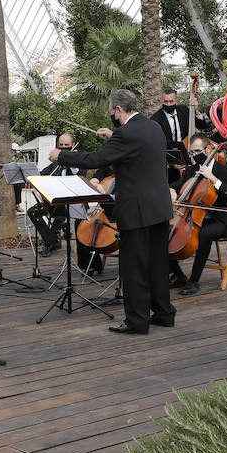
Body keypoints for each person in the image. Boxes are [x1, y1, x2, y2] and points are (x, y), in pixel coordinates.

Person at [51, 89, 175, 335]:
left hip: (137, 210)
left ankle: (137, 321)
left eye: (113, 114)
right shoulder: (153, 127)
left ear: (119, 109)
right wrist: (114, 136)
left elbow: (96, 159)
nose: (113, 118)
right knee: (157, 263)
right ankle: (164, 313)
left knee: (134, 266)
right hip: (159, 207)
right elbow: (133, 148)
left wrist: (62, 155)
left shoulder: (126, 133)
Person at [168, 135, 227, 297]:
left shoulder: (223, 170)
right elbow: (178, 185)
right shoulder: (192, 169)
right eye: (192, 152)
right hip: (193, 217)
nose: (195, 155)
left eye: (198, 151)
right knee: (164, 230)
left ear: (208, 149)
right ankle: (178, 275)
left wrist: (213, 178)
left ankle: (194, 280)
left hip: (219, 219)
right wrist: (171, 189)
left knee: (204, 233)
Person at [27, 133, 78, 256]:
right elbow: (41, 175)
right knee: (32, 212)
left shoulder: (78, 160)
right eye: (61, 145)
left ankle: (51, 242)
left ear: (72, 145)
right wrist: (31, 177)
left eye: (67, 145)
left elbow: (79, 175)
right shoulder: (56, 163)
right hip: (54, 202)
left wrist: (71, 162)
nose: (64, 147)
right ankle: (52, 239)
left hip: (73, 204)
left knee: (58, 209)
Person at [149, 89, 191, 179]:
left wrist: (196, 109)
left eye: (171, 101)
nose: (168, 104)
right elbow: (157, 145)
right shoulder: (155, 119)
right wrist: (173, 162)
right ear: (162, 101)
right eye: (166, 101)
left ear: (176, 100)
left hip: (187, 154)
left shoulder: (184, 110)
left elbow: (201, 124)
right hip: (168, 161)